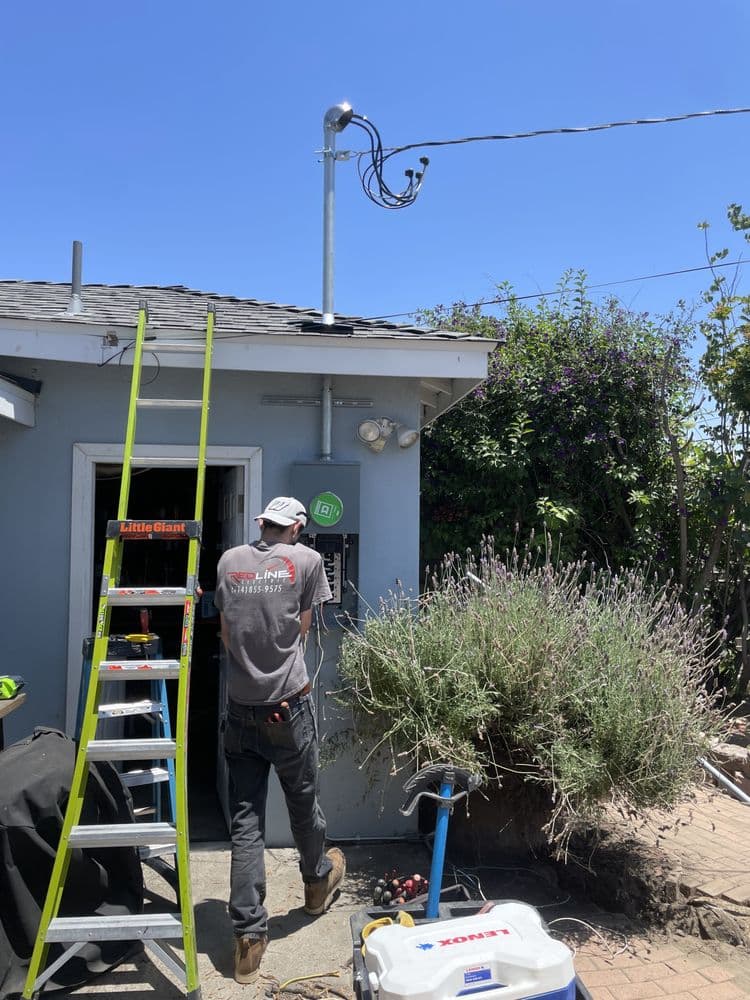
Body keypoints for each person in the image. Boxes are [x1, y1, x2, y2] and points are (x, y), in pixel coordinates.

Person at [215, 496, 345, 984]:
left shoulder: (230, 560)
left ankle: (248, 938)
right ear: (294, 529)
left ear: (263, 524)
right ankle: (316, 886)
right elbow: (302, 628)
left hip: (239, 708)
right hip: (288, 704)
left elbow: (226, 632)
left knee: (246, 821)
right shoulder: (308, 561)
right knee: (303, 802)